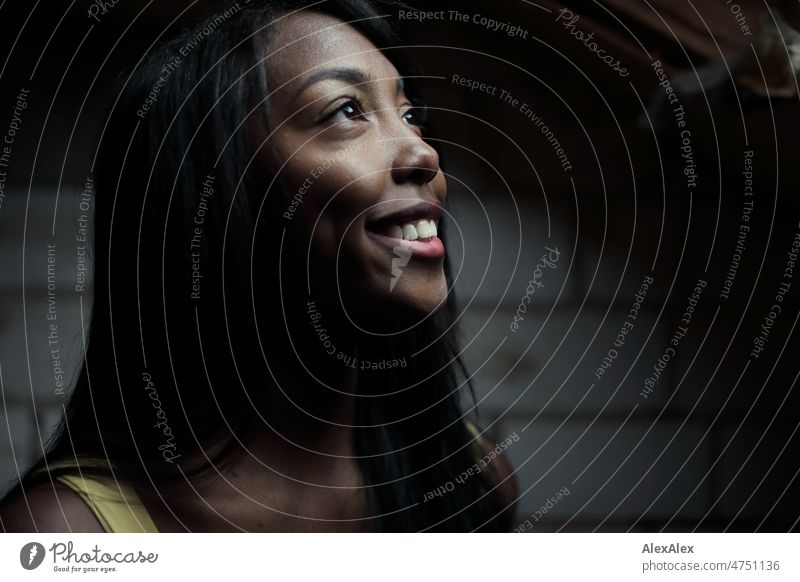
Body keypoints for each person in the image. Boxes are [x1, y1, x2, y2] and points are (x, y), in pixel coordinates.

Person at [0, 0, 516, 532]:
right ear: (212, 192)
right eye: (346, 111)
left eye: (411, 115)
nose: (423, 154)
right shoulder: (62, 535)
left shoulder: (474, 480)